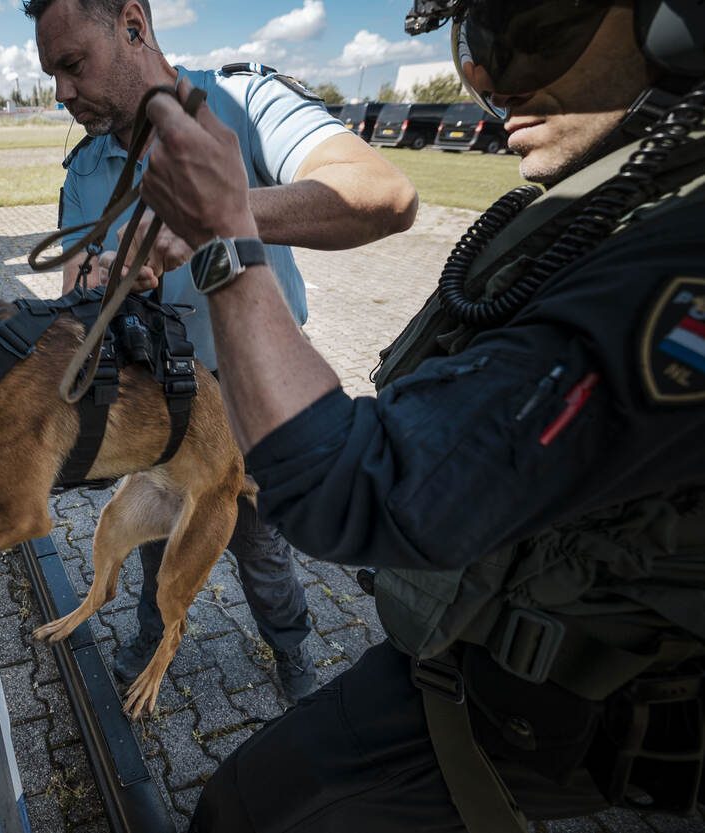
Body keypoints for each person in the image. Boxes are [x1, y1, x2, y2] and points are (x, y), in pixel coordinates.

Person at [119, 0, 705, 829]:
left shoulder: (676, 243)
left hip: (541, 706)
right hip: (465, 642)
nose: (479, 75)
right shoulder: (617, 202)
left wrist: (224, 234)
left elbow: (354, 489)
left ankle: (291, 659)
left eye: (523, 28)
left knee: (243, 811)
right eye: (475, 40)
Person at [24, 0, 419, 703]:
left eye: (73, 65)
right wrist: (103, 274)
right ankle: (152, 630)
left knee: (262, 550)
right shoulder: (87, 169)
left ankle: (292, 647)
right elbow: (73, 283)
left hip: (254, 400)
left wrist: (221, 214)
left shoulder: (243, 103)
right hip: (165, 408)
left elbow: (384, 194)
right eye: (51, 73)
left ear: (133, 24)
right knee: (155, 545)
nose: (61, 92)